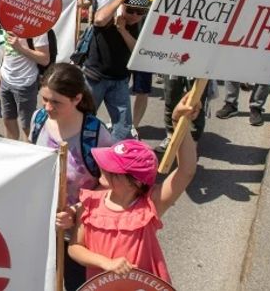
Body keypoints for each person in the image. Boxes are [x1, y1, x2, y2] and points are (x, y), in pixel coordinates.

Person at [68, 96, 199, 286]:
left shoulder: (150, 204)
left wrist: (180, 123)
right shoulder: (90, 202)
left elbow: (186, 171)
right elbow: (75, 248)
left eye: (113, 169)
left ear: (135, 183)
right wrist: (106, 263)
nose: (103, 168)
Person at [31, 63, 114, 290]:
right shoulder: (38, 120)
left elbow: (112, 186)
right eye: (44, 99)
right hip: (43, 227)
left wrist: (76, 211)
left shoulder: (96, 135)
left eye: (56, 102)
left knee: (77, 284)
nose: (47, 107)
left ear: (77, 99)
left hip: (79, 236)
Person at [82, 0, 149, 141]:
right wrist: (118, 0)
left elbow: (136, 51)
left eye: (140, 12)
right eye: (130, 10)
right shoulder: (110, 15)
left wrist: (122, 30)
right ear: (123, 6)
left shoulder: (140, 25)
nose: (134, 16)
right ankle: (82, 152)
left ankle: (117, 157)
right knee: (84, 118)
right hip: (95, 77)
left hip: (119, 80)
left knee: (123, 125)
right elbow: (98, 20)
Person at [0, 28, 50, 141]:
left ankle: (28, 155)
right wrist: (0, 73)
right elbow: (7, 48)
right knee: (8, 121)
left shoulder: (37, 26)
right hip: (6, 79)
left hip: (25, 82)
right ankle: (12, 153)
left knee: (27, 127)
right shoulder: (8, 21)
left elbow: (44, 59)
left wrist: (20, 47)